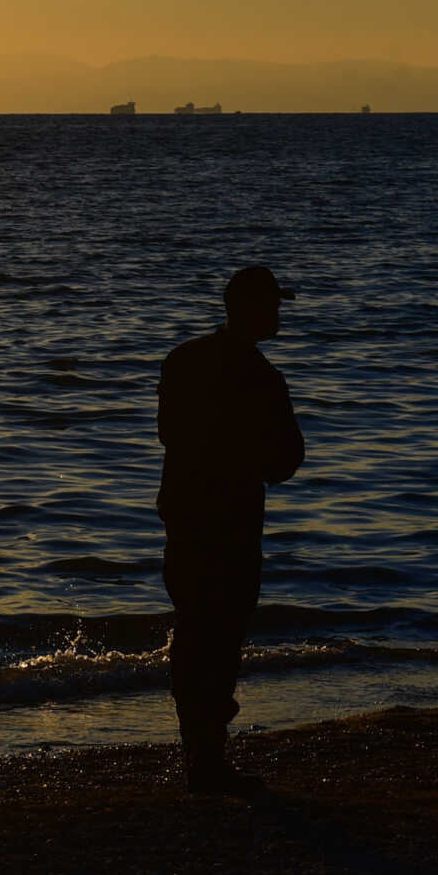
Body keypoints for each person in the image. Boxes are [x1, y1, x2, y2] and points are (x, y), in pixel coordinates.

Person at [156, 265, 304, 794]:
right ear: (252, 308)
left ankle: (198, 747)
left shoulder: (183, 360)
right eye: (273, 305)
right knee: (220, 635)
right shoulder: (263, 377)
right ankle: (207, 754)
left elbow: (166, 433)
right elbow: (287, 461)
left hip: (184, 513)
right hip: (233, 521)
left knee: (195, 627)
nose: (279, 313)